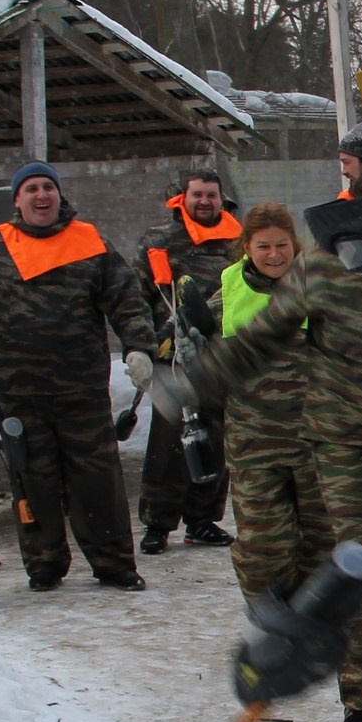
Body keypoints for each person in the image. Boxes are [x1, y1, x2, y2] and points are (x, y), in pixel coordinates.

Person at [172, 130, 362, 722]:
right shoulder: (323, 266)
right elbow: (262, 337)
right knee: (356, 565)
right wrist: (191, 382)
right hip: (339, 439)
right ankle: (358, 694)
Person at [0, 160, 161, 592]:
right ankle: (44, 563)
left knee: (98, 481)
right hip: (20, 393)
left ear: (59, 195)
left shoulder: (89, 242)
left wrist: (138, 346)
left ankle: (113, 563)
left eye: (47, 187)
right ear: (17, 199)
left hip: (81, 392)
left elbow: (126, 298)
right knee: (33, 481)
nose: (41, 196)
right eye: (31, 188)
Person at [208, 203, 326, 603]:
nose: (275, 255)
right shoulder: (227, 291)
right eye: (264, 247)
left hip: (315, 440)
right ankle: (272, 617)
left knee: (321, 543)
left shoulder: (320, 285)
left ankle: (314, 619)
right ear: (246, 247)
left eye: (282, 245)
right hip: (253, 443)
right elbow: (204, 352)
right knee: (264, 545)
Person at [136, 168, 242, 553]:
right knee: (168, 443)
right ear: (183, 198)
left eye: (211, 194)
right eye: (197, 194)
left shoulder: (238, 240)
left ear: (221, 198)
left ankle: (202, 519)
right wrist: (151, 339)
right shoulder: (158, 241)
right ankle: (158, 523)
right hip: (174, 354)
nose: (205, 201)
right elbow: (137, 295)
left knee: (214, 438)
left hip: (220, 354)